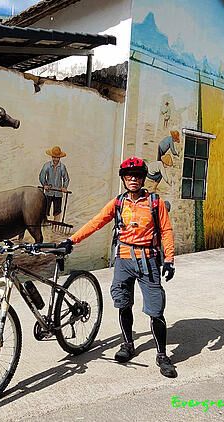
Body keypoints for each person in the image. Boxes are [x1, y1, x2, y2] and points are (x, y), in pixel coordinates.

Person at [58, 157, 178, 378]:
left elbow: (166, 230)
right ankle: (128, 344)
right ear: (123, 179)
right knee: (123, 303)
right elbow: (96, 222)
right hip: (123, 261)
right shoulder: (118, 202)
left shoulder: (155, 202)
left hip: (148, 261)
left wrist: (169, 259)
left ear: (143, 179)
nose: (133, 179)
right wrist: (71, 240)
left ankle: (162, 355)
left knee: (156, 310)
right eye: (129, 176)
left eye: (138, 176)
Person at [39, 146, 70, 223]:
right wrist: (45, 185)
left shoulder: (62, 167)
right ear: (52, 157)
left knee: (57, 210)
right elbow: (42, 176)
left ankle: (56, 225)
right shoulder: (47, 165)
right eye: (54, 157)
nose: (56, 159)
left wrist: (64, 187)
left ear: (59, 158)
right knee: (45, 209)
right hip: (49, 191)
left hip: (58, 193)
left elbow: (66, 178)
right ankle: (44, 223)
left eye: (57, 158)